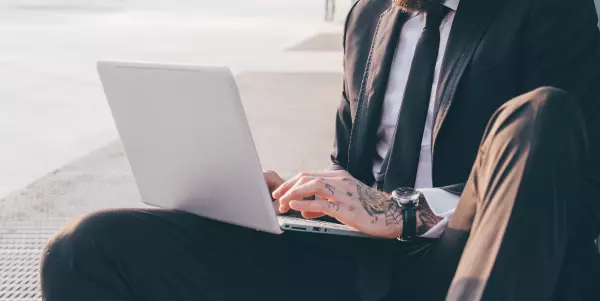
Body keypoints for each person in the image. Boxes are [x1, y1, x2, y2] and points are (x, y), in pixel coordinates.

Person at [41, 0, 600, 300]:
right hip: (354, 265)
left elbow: (569, 185)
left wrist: (406, 212)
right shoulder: (370, 17)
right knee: (89, 248)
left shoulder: (549, 10)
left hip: (467, 262)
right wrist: (299, 200)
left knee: (540, 114)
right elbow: (355, 169)